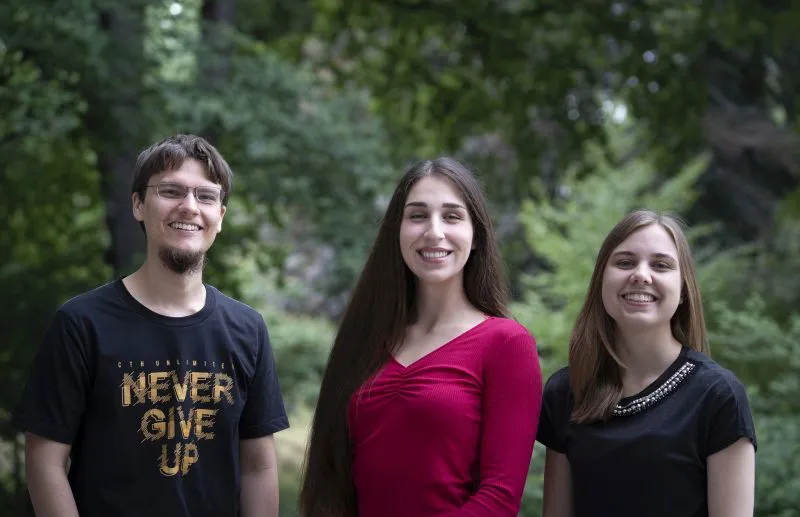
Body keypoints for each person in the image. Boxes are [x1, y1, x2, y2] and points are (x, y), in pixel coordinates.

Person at [13, 134, 289, 517]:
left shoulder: (248, 329)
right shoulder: (81, 324)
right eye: (171, 191)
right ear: (138, 205)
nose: (189, 206)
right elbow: (45, 462)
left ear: (221, 217)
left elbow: (258, 467)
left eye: (205, 196)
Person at [299, 157, 543, 517]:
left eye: (452, 216)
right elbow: (331, 473)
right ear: (397, 231)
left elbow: (499, 498)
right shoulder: (367, 338)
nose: (434, 231)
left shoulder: (507, 343)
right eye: (417, 215)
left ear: (476, 236)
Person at [537, 209, 756, 517]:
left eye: (661, 265)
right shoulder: (566, 391)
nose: (641, 274)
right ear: (601, 281)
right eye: (625, 262)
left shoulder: (719, 396)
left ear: (683, 290)